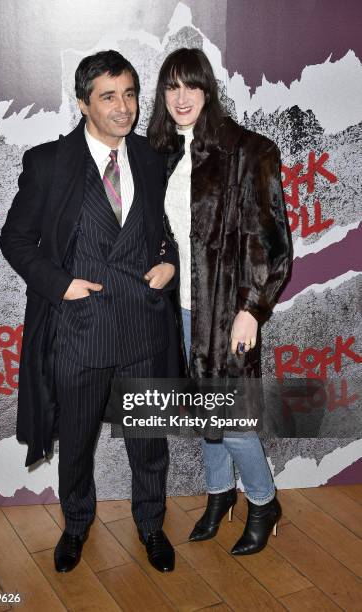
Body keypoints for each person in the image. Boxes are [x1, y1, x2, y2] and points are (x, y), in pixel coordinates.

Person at [0, 50, 178, 573]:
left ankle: (150, 525)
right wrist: (59, 285)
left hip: (144, 329)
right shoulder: (49, 163)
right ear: (83, 104)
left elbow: (168, 232)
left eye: (130, 94)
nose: (124, 108)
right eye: (108, 97)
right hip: (80, 332)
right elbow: (15, 239)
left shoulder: (151, 157)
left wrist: (169, 263)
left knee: (149, 445)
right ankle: (76, 526)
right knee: (75, 445)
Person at [148, 48, 291, 555]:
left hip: (227, 310)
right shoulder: (158, 152)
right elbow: (161, 233)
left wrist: (252, 308)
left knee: (228, 419)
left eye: (191, 85)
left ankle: (263, 500)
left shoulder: (248, 151)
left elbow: (270, 241)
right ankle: (217, 495)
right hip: (176, 308)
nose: (181, 98)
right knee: (202, 413)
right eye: (171, 87)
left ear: (207, 90)